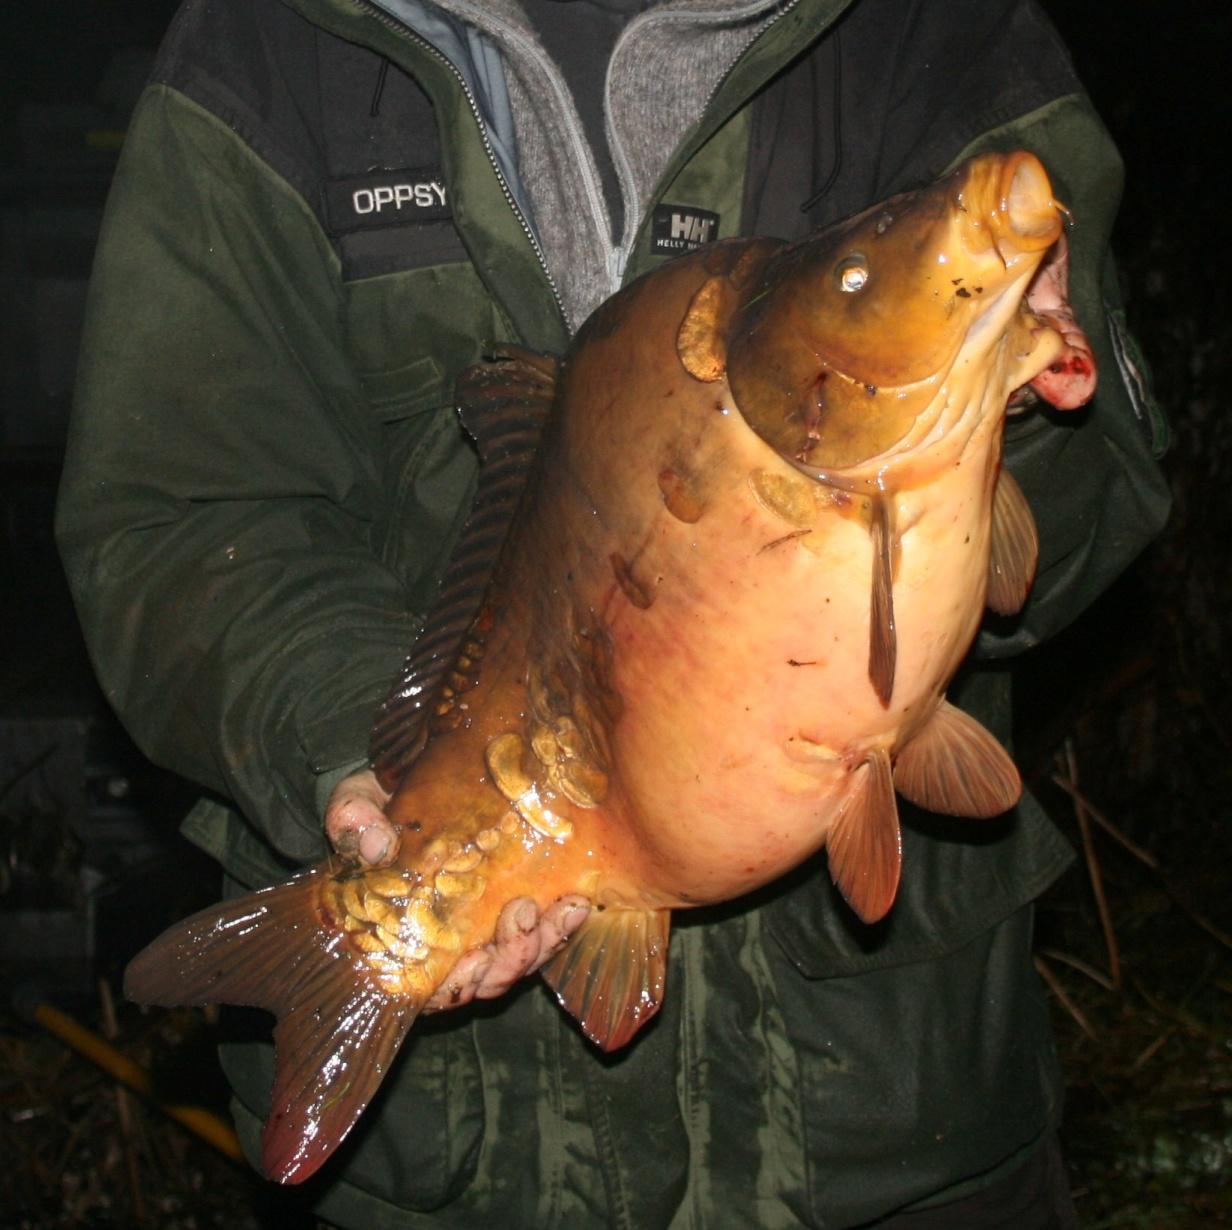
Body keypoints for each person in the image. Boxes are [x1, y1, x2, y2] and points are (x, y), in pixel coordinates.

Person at [56, 0, 1170, 1225]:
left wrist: (1012, 413)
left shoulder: (935, 30)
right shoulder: (273, 46)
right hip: (457, 1169)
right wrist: (368, 756)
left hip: (896, 1137)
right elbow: (182, 517)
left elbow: (1082, 523)